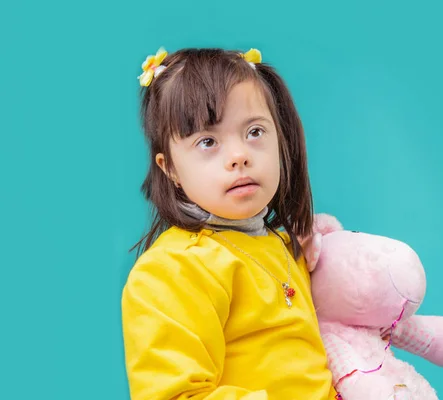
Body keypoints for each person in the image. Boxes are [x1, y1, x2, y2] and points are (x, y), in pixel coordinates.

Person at [121, 46, 338, 400]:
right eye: (207, 141)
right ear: (170, 169)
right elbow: (174, 395)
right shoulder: (174, 269)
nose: (239, 156)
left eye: (254, 132)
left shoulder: (282, 247)